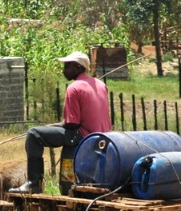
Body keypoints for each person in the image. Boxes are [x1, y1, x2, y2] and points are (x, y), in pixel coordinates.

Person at [9, 51, 111, 194]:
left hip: (83, 136)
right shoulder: (100, 84)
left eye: (67, 67)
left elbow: (72, 124)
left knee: (33, 134)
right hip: (103, 136)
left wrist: (54, 125)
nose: (64, 70)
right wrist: (58, 125)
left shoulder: (74, 88)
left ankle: (33, 183)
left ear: (78, 67)